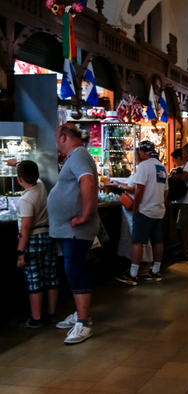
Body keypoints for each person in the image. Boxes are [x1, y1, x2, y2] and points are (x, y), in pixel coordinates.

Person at [47, 123, 99, 344]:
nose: (56, 142)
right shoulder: (77, 156)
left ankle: (84, 323)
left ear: (64, 137)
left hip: (77, 230)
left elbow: (87, 183)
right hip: (71, 230)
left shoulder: (78, 155)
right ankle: (80, 315)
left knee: (75, 270)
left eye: (57, 137)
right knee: (73, 269)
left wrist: (85, 215)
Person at [11, 160, 59, 328]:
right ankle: (52, 314)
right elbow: (30, 174)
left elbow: (25, 226)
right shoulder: (41, 186)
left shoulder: (25, 199)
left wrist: (19, 251)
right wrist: (16, 164)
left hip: (33, 240)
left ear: (19, 179)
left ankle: (36, 319)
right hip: (49, 236)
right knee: (51, 276)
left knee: (34, 279)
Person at [115, 141, 168, 285]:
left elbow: (139, 189)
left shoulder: (144, 166)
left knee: (137, 241)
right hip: (158, 210)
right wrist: (160, 202)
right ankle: (155, 272)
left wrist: (136, 207)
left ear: (143, 152)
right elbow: (166, 191)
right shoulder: (162, 167)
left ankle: (133, 275)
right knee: (158, 241)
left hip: (145, 210)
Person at [112, 149, 154, 273]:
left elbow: (137, 189)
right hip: (132, 209)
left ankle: (142, 265)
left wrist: (119, 186)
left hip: (135, 208)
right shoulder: (140, 170)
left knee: (139, 238)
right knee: (135, 237)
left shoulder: (143, 169)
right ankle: (136, 263)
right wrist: (120, 183)